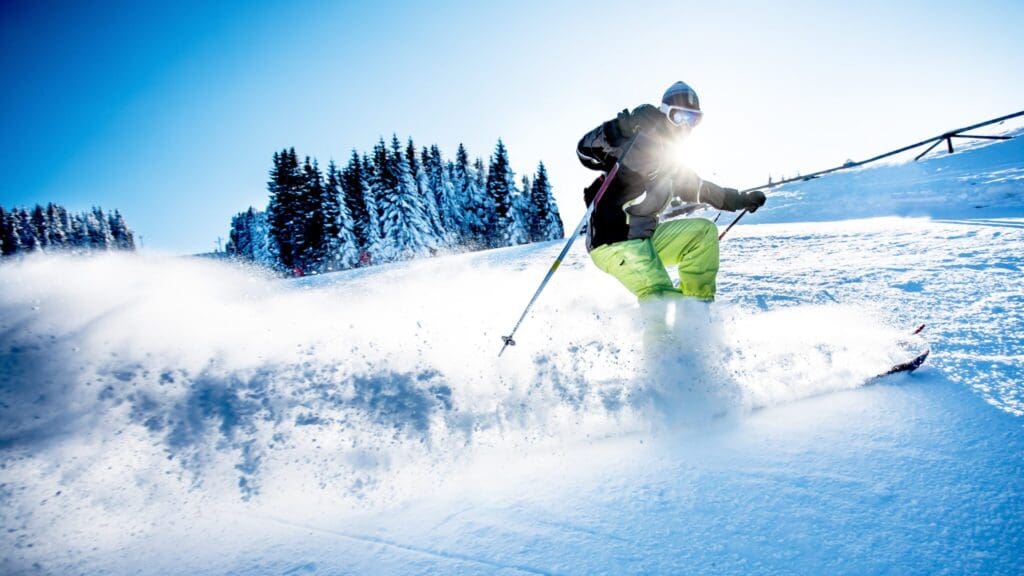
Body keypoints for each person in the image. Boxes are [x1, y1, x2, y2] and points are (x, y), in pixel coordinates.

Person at [577, 81, 766, 303]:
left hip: (644, 238)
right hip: (613, 240)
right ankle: (665, 336)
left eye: (693, 119)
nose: (686, 126)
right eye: (680, 117)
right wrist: (618, 129)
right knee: (660, 297)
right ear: (665, 112)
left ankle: (696, 312)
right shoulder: (634, 137)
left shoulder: (671, 163)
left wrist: (741, 200)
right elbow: (585, 151)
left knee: (703, 233)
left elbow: (700, 189)